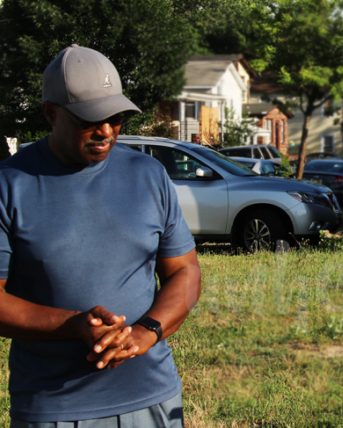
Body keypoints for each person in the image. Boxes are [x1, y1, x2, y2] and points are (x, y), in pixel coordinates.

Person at [0, 45, 201, 426]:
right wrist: (73, 325)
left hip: (152, 398)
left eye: (115, 116)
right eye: (89, 119)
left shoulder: (148, 175)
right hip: (55, 408)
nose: (106, 130)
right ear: (50, 113)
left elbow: (185, 272)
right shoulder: (9, 185)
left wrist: (147, 332)